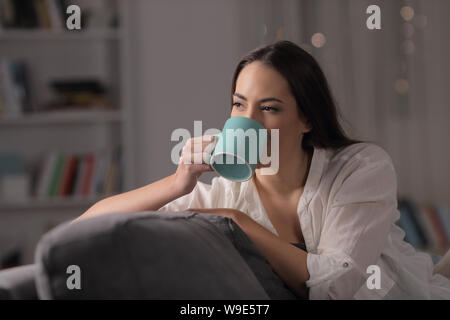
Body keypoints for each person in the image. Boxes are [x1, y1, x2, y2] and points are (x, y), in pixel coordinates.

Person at [74, 40, 450, 299]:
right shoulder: (223, 194)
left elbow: (336, 285)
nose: (249, 121)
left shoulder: (361, 167)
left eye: (269, 108)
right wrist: (178, 183)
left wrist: (238, 223)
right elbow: (85, 230)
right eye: (239, 105)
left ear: (306, 118)